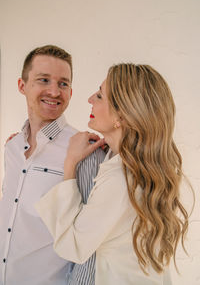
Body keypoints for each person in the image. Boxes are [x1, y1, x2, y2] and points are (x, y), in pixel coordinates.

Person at [35, 63, 189, 285]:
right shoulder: (139, 169)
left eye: (99, 96)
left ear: (122, 116)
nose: (90, 99)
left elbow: (73, 246)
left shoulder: (121, 180)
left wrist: (70, 163)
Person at [0, 45, 105, 285]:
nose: (54, 91)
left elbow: (89, 246)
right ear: (21, 86)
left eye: (63, 83)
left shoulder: (86, 151)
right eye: (44, 80)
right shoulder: (12, 147)